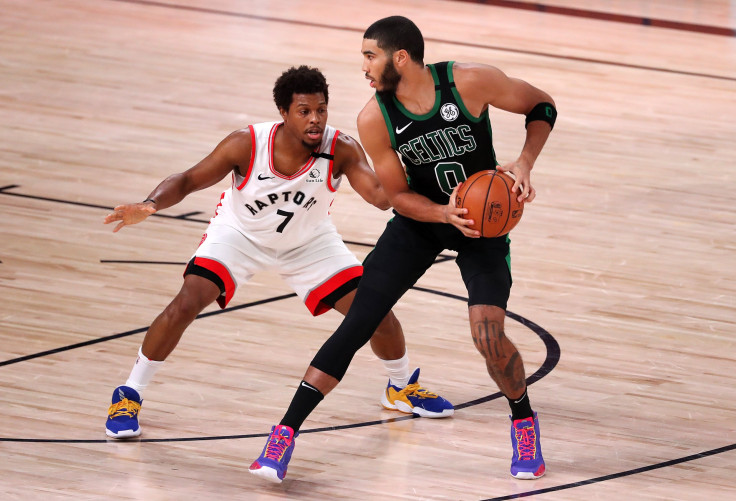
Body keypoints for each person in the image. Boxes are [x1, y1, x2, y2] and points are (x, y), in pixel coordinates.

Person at [250, 17, 556, 482]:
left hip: (483, 226)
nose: (364, 68)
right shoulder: (375, 117)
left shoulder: (469, 80)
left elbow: (542, 106)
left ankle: (523, 421)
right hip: (422, 224)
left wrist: (525, 163)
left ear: (399, 58)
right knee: (358, 324)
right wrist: (442, 214)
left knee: (487, 334)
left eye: (370, 56)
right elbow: (396, 196)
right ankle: (283, 435)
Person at [103, 65, 453, 445]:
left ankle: (400, 388)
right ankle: (129, 394)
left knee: (377, 314)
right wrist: (150, 205)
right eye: (304, 111)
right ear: (284, 113)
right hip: (240, 234)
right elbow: (189, 179)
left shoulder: (342, 149)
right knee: (186, 303)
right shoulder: (247, 143)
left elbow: (380, 198)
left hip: (309, 242)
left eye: (321, 109)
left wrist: (421, 175)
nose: (315, 119)